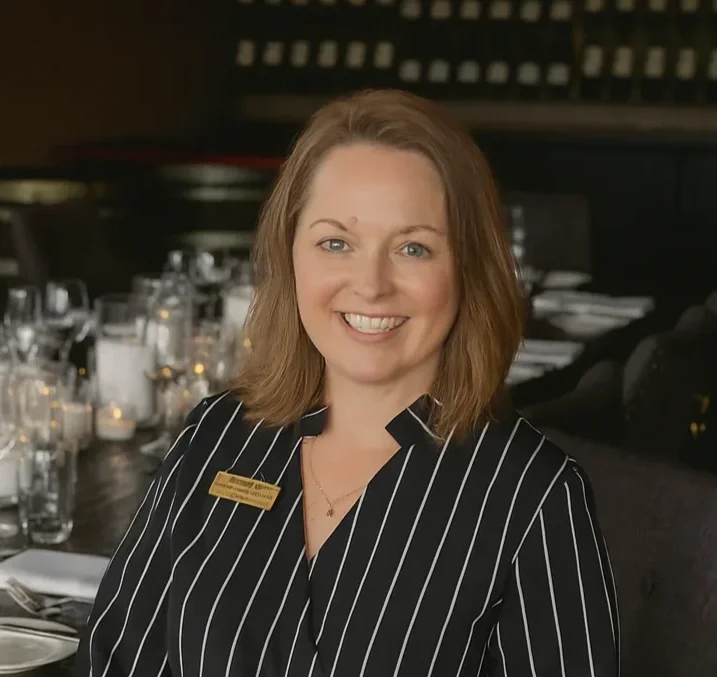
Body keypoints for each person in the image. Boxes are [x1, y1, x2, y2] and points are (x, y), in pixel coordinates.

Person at [76, 89, 619, 677]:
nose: (371, 284)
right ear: (290, 256)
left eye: (414, 248)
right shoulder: (218, 435)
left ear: (469, 270)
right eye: (337, 242)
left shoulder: (533, 497)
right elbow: (114, 658)